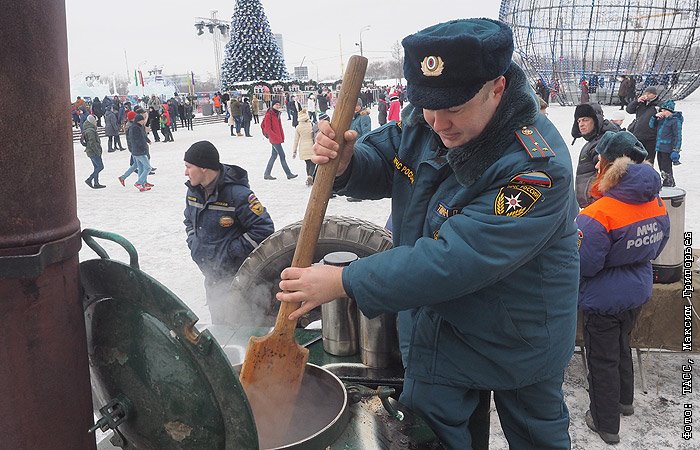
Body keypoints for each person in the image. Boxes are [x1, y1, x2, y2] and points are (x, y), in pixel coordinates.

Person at [276, 18, 579, 450]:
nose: (438, 123)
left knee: (537, 437)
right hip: (441, 332)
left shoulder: (536, 167)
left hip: (520, 337)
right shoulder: (430, 116)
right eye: (429, 107)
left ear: (497, 88)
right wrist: (347, 162)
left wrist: (346, 280)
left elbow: (455, 258)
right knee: (429, 438)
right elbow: (390, 156)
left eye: (453, 110)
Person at [576, 131, 669, 445]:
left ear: (607, 165)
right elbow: (660, 243)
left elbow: (585, 264)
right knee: (622, 345)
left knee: (602, 359)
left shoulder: (597, 214)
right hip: (637, 290)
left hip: (603, 298)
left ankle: (605, 423)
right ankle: (624, 401)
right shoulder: (654, 200)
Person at [183, 141, 275, 324]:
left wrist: (230, 252)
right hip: (212, 279)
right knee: (221, 330)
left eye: (188, 167)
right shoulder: (193, 192)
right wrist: (194, 242)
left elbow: (264, 229)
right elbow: (189, 221)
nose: (185, 172)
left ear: (203, 168)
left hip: (238, 281)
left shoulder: (238, 195)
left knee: (239, 330)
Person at [572, 102, 620, 208]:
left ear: (596, 120)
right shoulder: (594, 141)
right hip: (593, 203)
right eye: (578, 121)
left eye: (585, 119)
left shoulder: (601, 143)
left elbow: (607, 176)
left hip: (597, 204)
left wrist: (594, 198)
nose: (581, 124)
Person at [648, 99, 683, 187]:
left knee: (666, 168)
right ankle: (666, 182)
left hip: (668, 148)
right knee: (662, 168)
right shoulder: (662, 119)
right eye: (661, 110)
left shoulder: (675, 121)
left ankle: (669, 183)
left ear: (670, 111)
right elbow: (651, 125)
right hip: (659, 147)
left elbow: (677, 136)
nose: (662, 112)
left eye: (664, 111)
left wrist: (676, 150)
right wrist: (655, 117)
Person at [261, 100, 297, 180]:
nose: (278, 106)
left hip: (277, 138)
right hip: (274, 139)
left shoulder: (277, 114)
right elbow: (268, 128)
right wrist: (275, 137)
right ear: (272, 105)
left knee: (274, 156)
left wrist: (280, 136)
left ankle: (267, 174)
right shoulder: (268, 115)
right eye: (276, 104)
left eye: (279, 104)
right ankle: (288, 174)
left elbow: (278, 127)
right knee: (282, 156)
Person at [118, 113, 152, 191]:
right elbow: (137, 140)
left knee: (139, 166)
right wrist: (143, 147)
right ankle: (139, 182)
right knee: (147, 167)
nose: (144, 121)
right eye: (143, 120)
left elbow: (143, 136)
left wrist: (147, 140)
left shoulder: (138, 126)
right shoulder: (134, 128)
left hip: (136, 150)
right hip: (138, 150)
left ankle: (142, 184)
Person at [626, 86, 659, 163]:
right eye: (646, 93)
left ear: (654, 95)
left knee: (649, 160)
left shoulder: (658, 105)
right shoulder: (641, 103)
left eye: (649, 93)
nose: (647, 95)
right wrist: (636, 101)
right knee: (636, 158)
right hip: (638, 134)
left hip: (650, 137)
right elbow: (629, 110)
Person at [80, 115, 105, 189]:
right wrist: (97, 151)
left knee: (96, 167)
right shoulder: (90, 130)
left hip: (90, 151)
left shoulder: (88, 129)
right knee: (100, 167)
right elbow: (92, 142)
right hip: (93, 151)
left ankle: (96, 183)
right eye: (95, 121)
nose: (96, 122)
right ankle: (89, 179)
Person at [292, 108, 315, 186]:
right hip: (311, 145)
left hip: (303, 147)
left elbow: (296, 140)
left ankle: (308, 177)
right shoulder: (311, 124)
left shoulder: (298, 127)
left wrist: (294, 151)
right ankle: (310, 176)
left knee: (307, 163)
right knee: (313, 163)